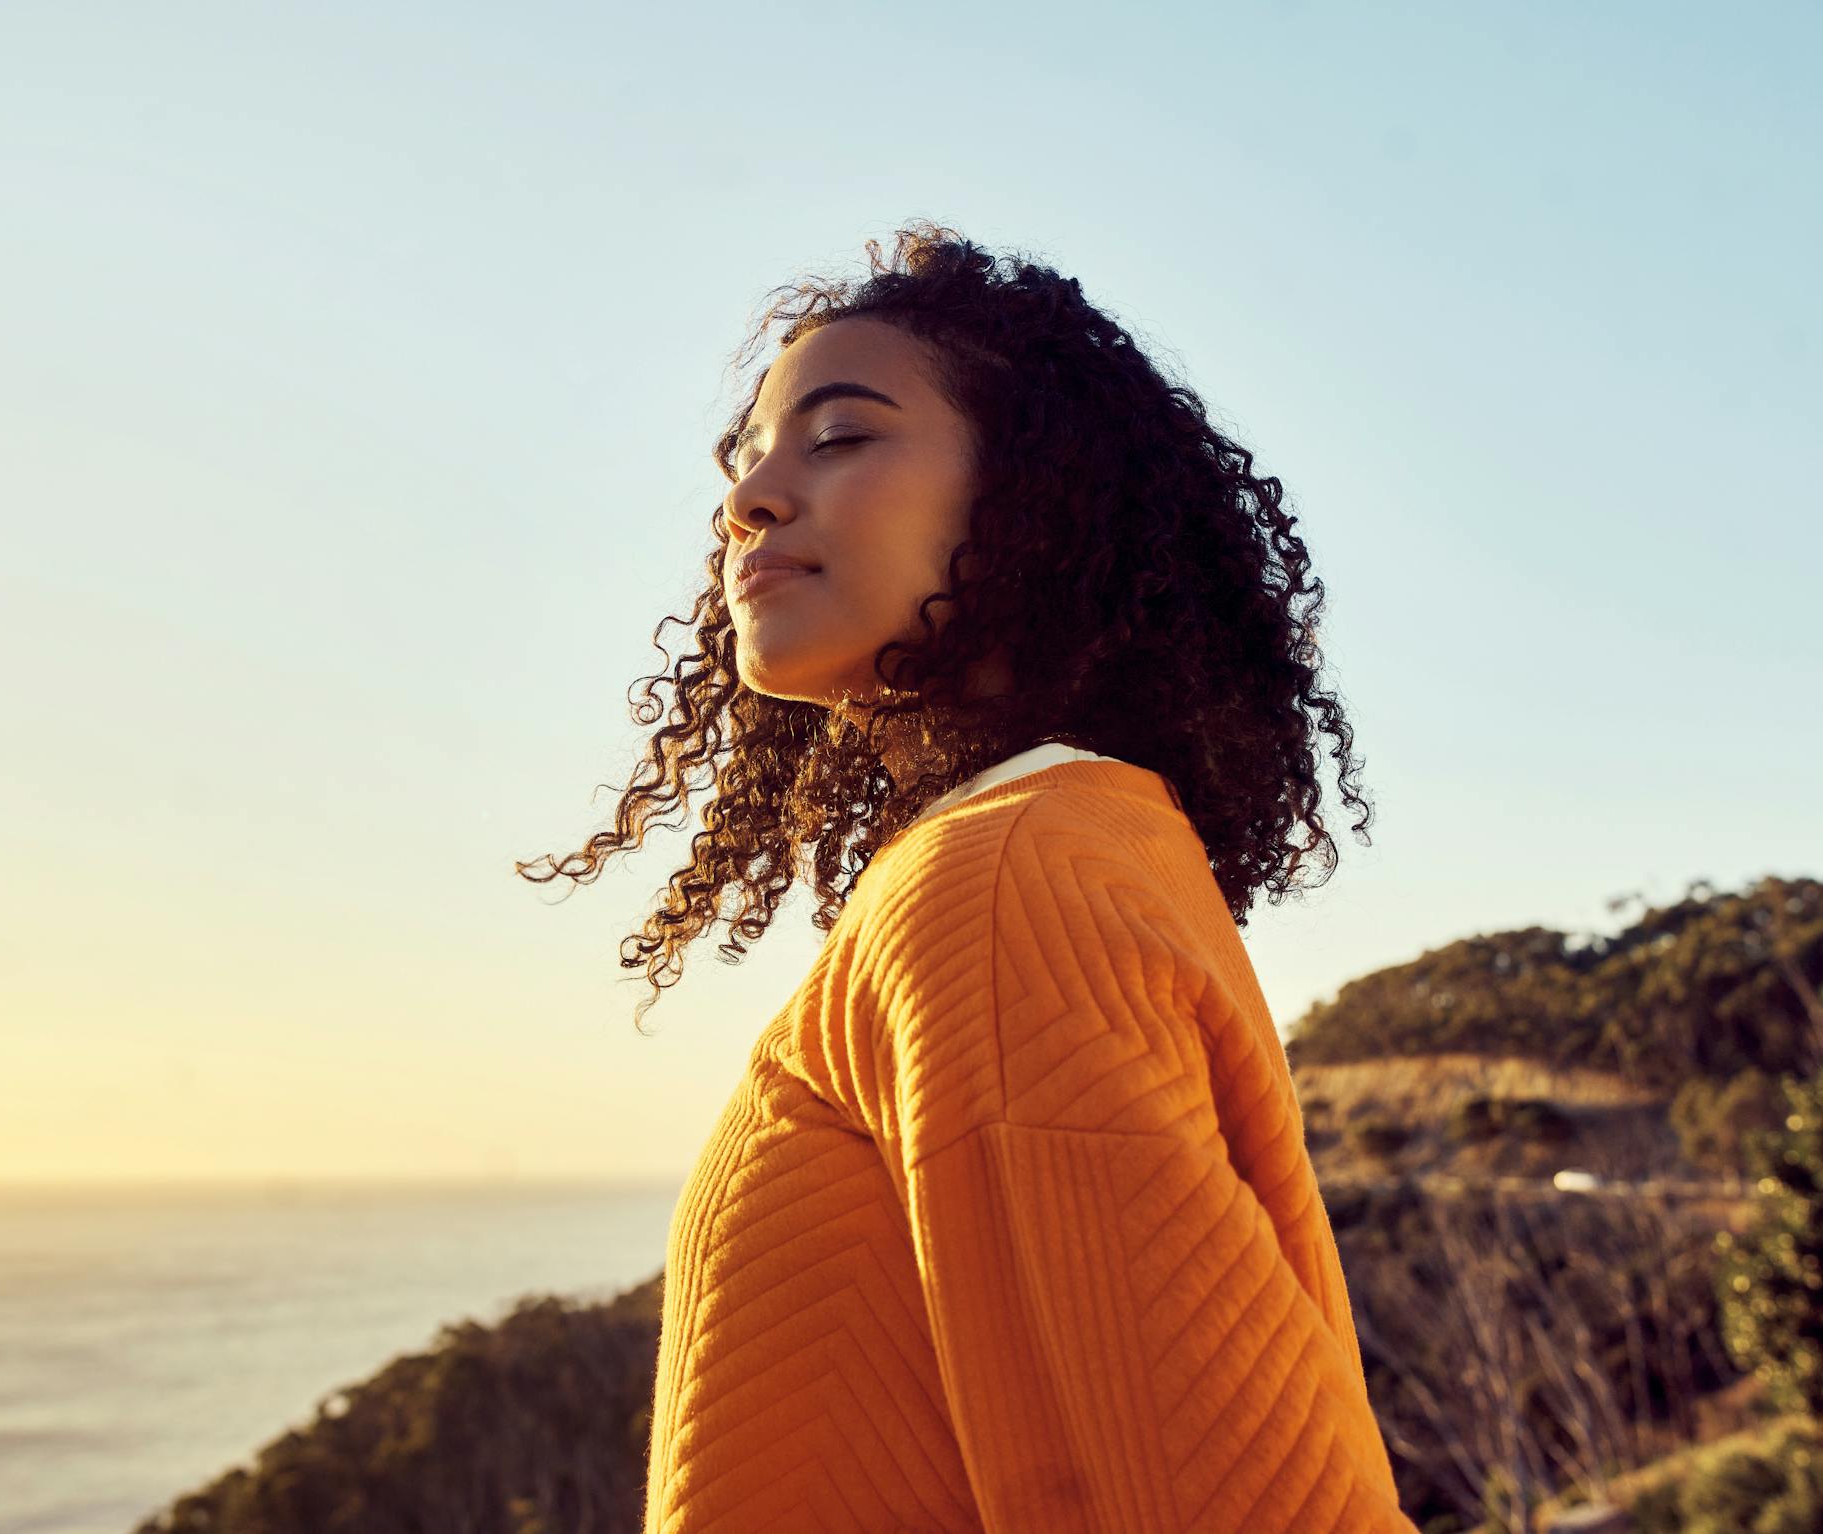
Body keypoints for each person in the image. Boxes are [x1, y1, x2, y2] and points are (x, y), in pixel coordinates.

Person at [517, 222, 1417, 1532]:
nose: (752, 498)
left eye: (839, 435)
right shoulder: (1069, 847)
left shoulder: (1002, 882)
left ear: (1035, 502)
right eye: (746, 460)